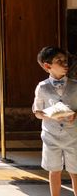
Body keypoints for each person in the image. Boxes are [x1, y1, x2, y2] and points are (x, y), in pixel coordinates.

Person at [33, 46, 77, 196]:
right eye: (60, 61)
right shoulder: (42, 87)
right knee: (54, 170)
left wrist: (75, 114)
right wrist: (49, 114)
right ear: (47, 66)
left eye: (66, 60)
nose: (65, 64)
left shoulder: (75, 86)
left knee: (75, 171)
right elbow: (37, 112)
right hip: (51, 136)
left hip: (74, 136)